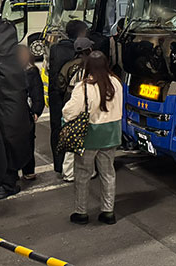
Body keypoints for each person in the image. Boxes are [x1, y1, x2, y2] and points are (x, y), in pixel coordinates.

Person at [63, 51, 122, 226]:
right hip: (111, 134)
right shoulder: (116, 83)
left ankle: (81, 212)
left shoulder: (84, 87)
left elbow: (70, 111)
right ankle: (108, 211)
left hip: (90, 135)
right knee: (108, 173)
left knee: (82, 173)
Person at [48, 20, 88, 175]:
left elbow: (53, 73)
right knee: (78, 129)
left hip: (56, 95)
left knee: (57, 129)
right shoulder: (82, 50)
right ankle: (76, 167)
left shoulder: (56, 48)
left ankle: (59, 165)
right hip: (74, 95)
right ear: (82, 33)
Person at [58, 36, 95, 182]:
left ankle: (68, 172)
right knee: (88, 139)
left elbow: (60, 83)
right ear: (89, 50)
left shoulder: (68, 65)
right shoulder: (91, 65)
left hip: (70, 99)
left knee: (71, 137)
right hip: (87, 102)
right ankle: (88, 171)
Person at [17, 45, 44, 181]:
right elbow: (38, 94)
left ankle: (14, 170)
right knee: (28, 142)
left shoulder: (10, 71)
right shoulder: (32, 70)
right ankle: (28, 170)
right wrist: (36, 111)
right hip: (27, 112)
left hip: (13, 112)